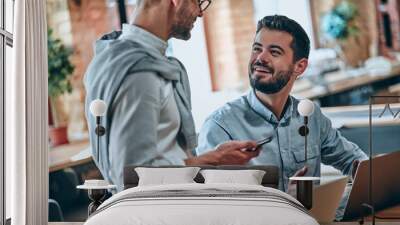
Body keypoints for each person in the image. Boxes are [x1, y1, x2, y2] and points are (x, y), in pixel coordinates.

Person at [84, 0, 260, 190]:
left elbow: (161, 153)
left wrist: (212, 157)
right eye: (198, 2)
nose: (200, 13)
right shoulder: (139, 72)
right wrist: (213, 160)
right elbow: (132, 177)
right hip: (156, 211)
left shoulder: (118, 57)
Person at [197, 15, 367, 194]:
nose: (260, 58)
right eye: (257, 49)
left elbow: (353, 160)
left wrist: (370, 174)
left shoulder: (310, 117)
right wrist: (287, 201)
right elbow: (215, 203)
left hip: (313, 221)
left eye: (274, 52)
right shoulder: (220, 126)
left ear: (299, 67)